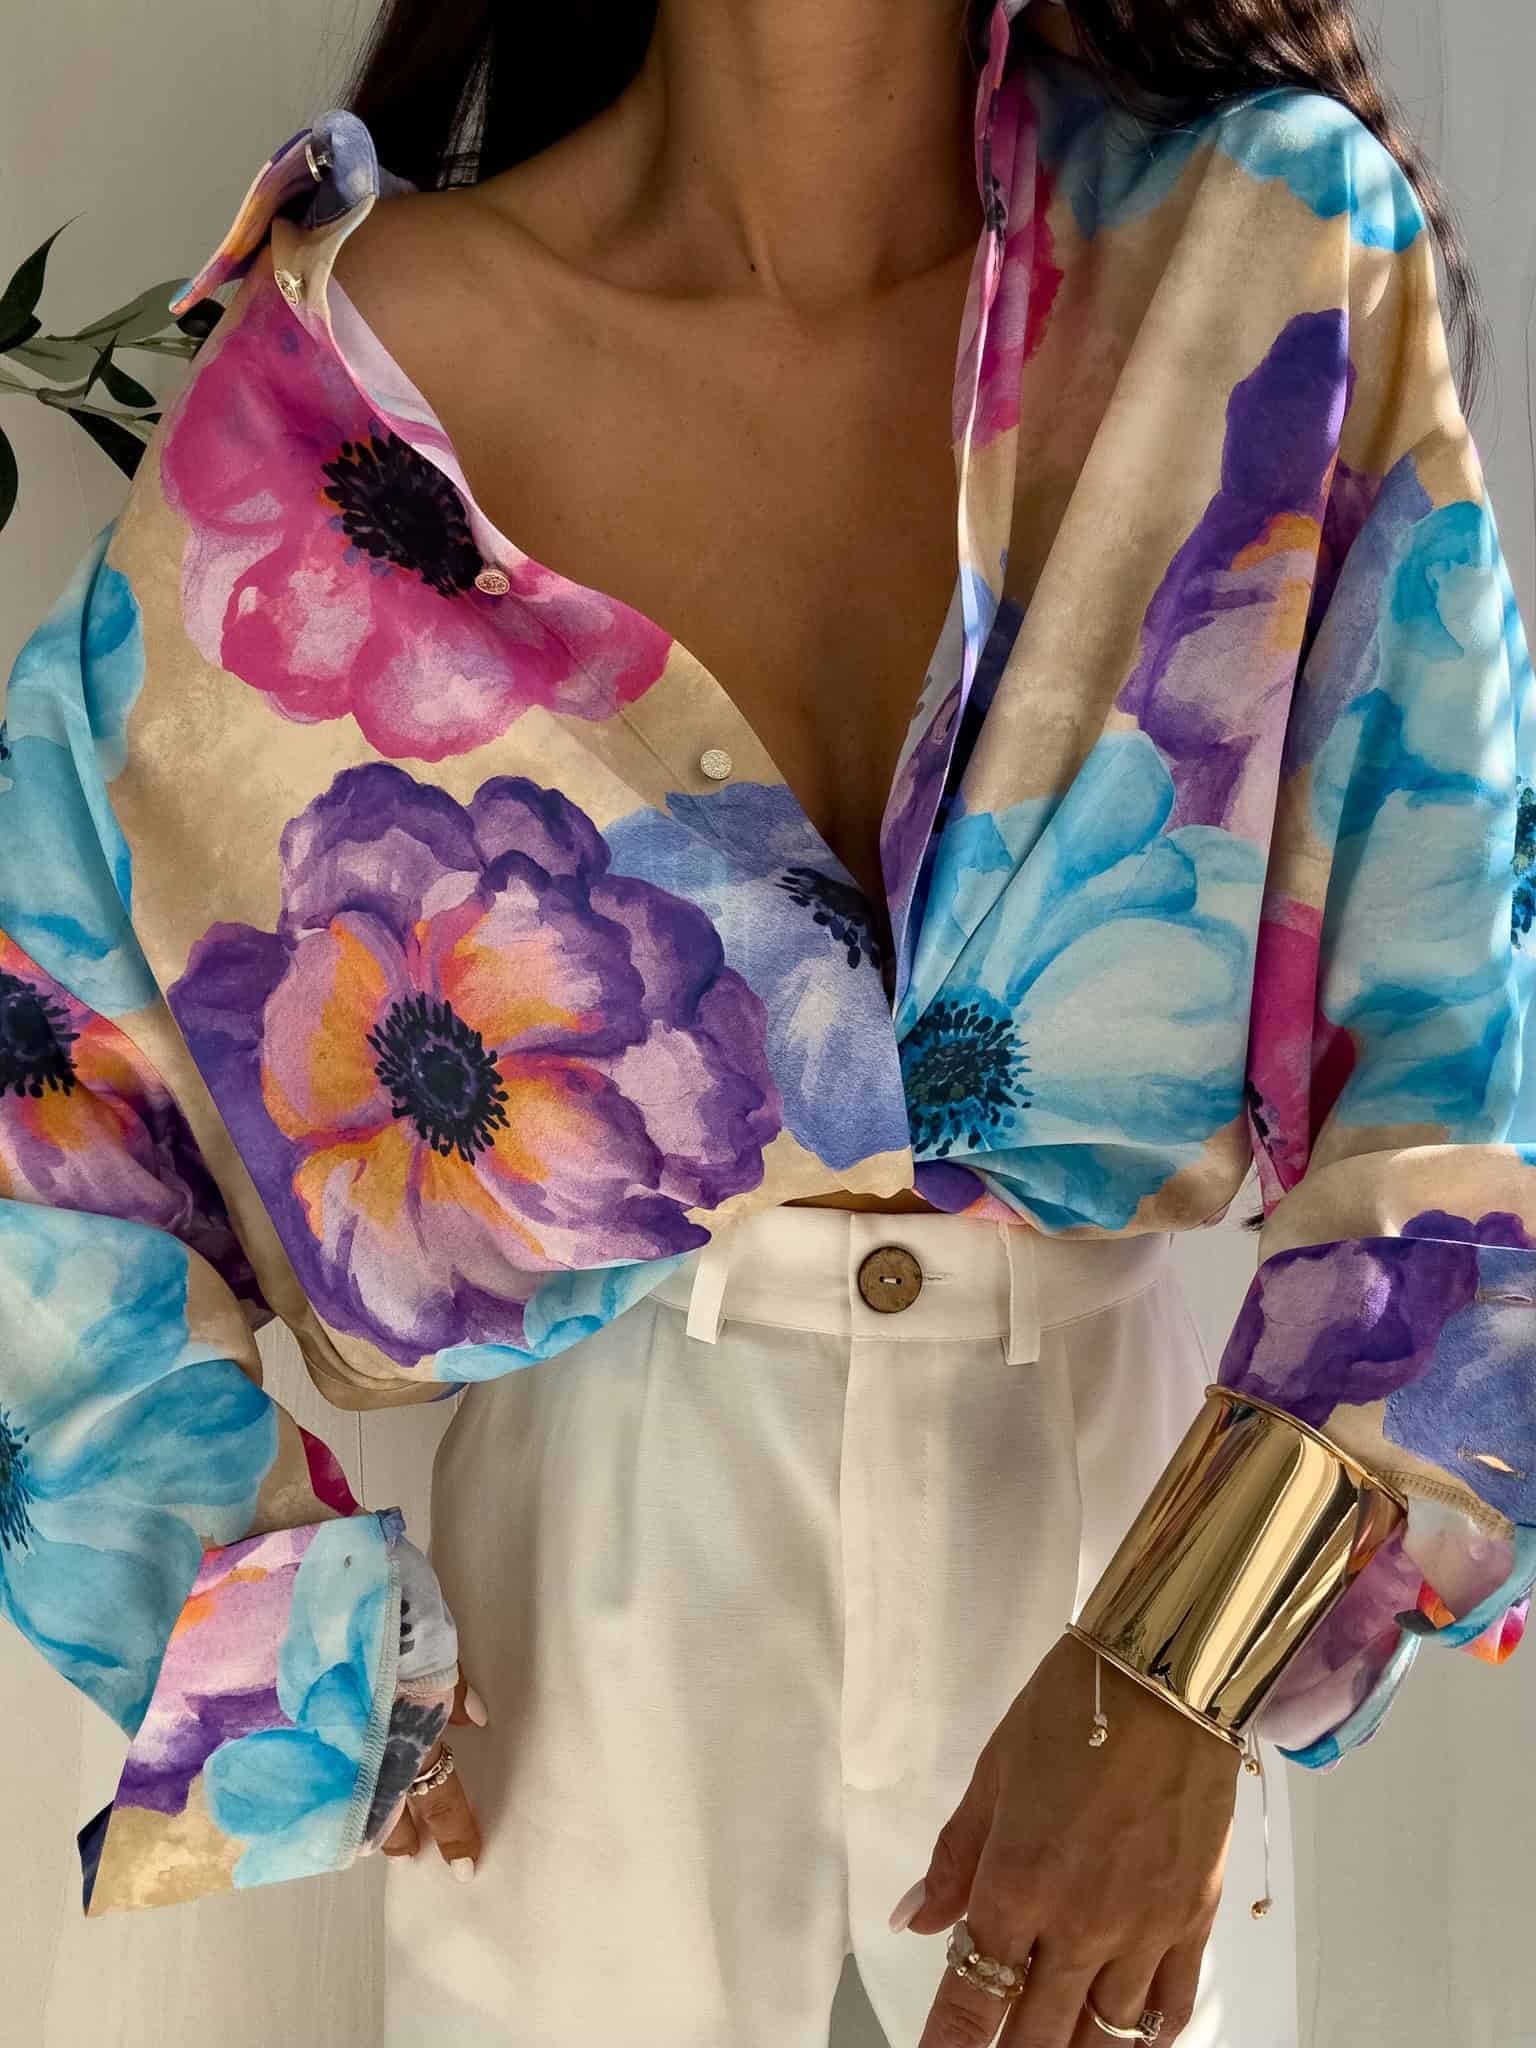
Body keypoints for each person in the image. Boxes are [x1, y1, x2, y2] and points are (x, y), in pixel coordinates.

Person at [3, 0, 1533, 2044]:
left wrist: (1194, 1669)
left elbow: (1465, 1054)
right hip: (603, 1556)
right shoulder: (355, 362)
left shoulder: (1261, 250)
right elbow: (40, 1098)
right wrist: (299, 1672)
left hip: (1121, 1501)